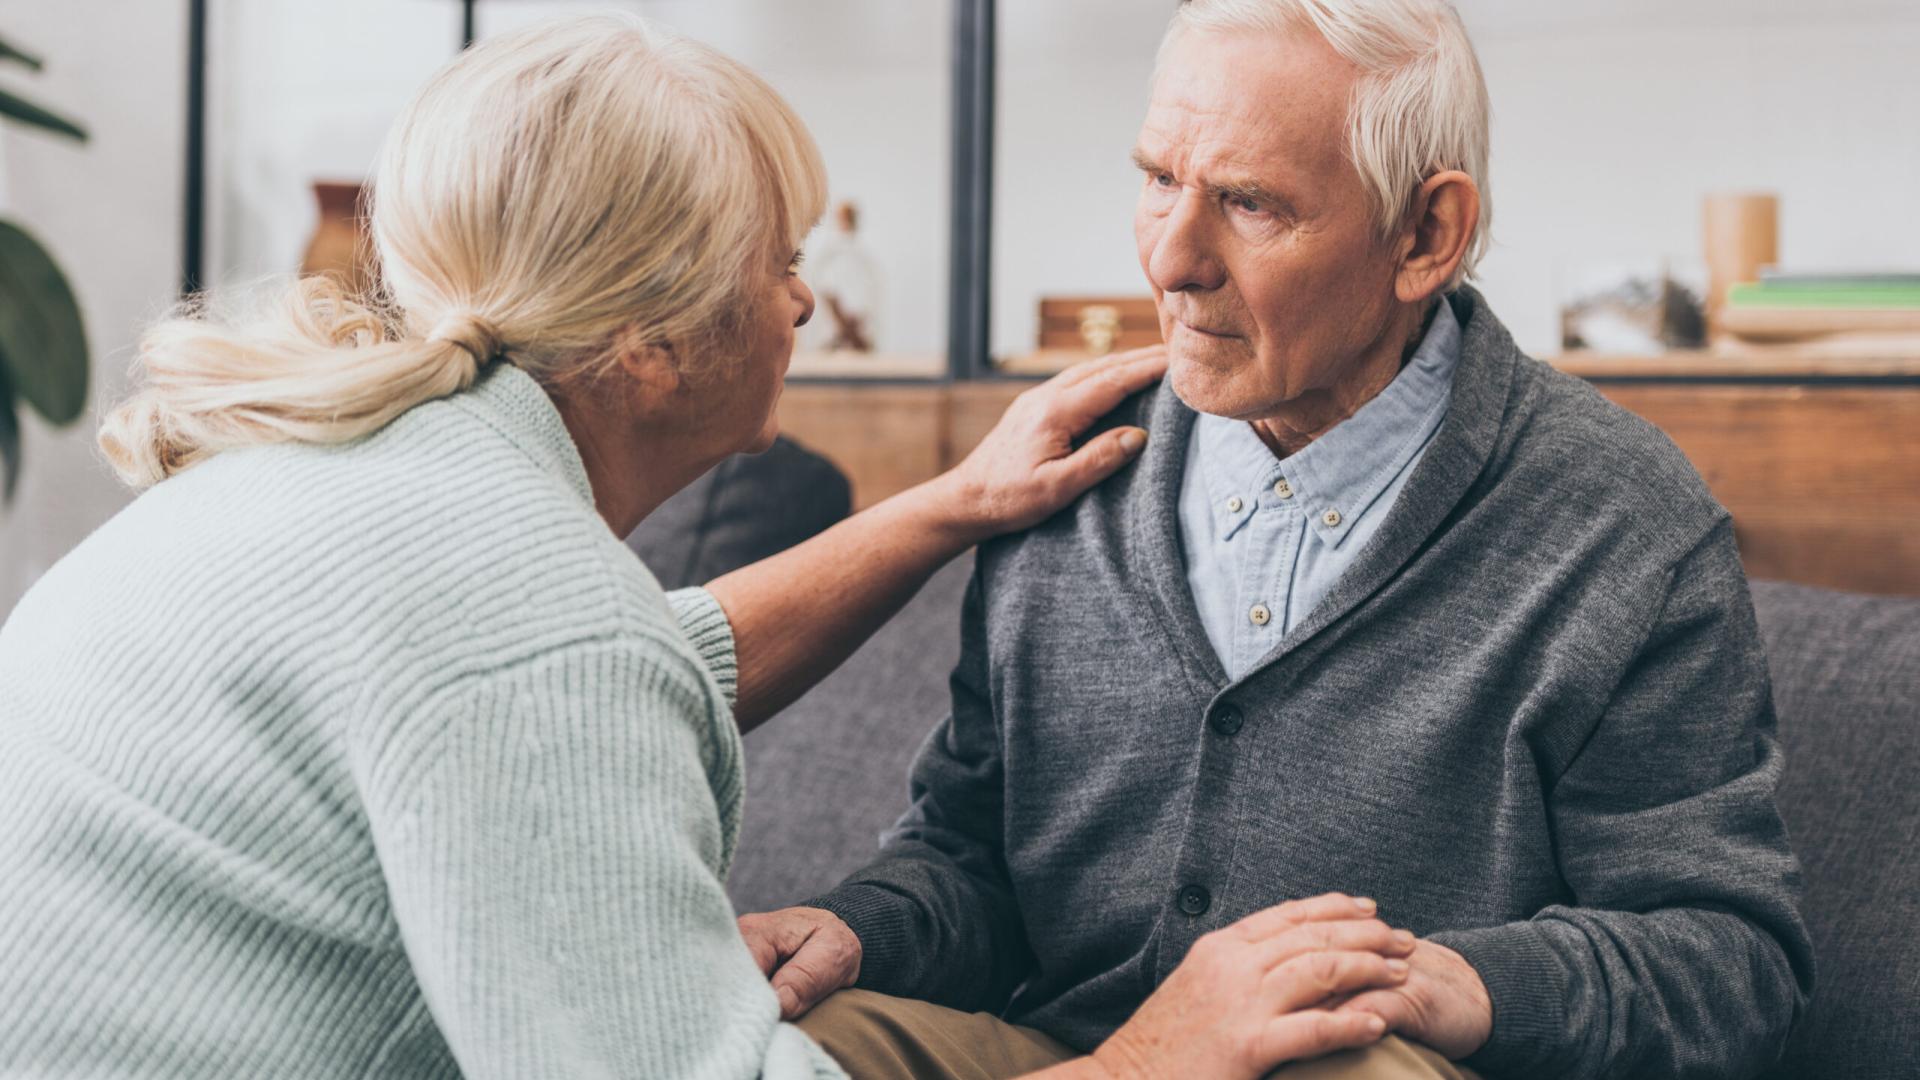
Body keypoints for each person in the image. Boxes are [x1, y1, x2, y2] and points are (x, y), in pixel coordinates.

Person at [0, 14, 1432, 1080]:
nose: (805, 303)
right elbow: (561, 672)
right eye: (777, 260)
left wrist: (944, 505)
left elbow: (643, 661)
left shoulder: (363, 479)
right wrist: (1155, 1055)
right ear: (649, 340)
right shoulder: (521, 616)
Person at [742, 2, 1814, 1078]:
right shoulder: (1066, 464)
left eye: (1249, 203)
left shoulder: (1621, 520)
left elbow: (1729, 965)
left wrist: (1460, 984)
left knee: (1356, 1063)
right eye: (1159, 178)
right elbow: (972, 860)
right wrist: (862, 929)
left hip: (1361, 1062)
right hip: (1069, 1057)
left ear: (1425, 235)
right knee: (777, 1043)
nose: (1171, 260)